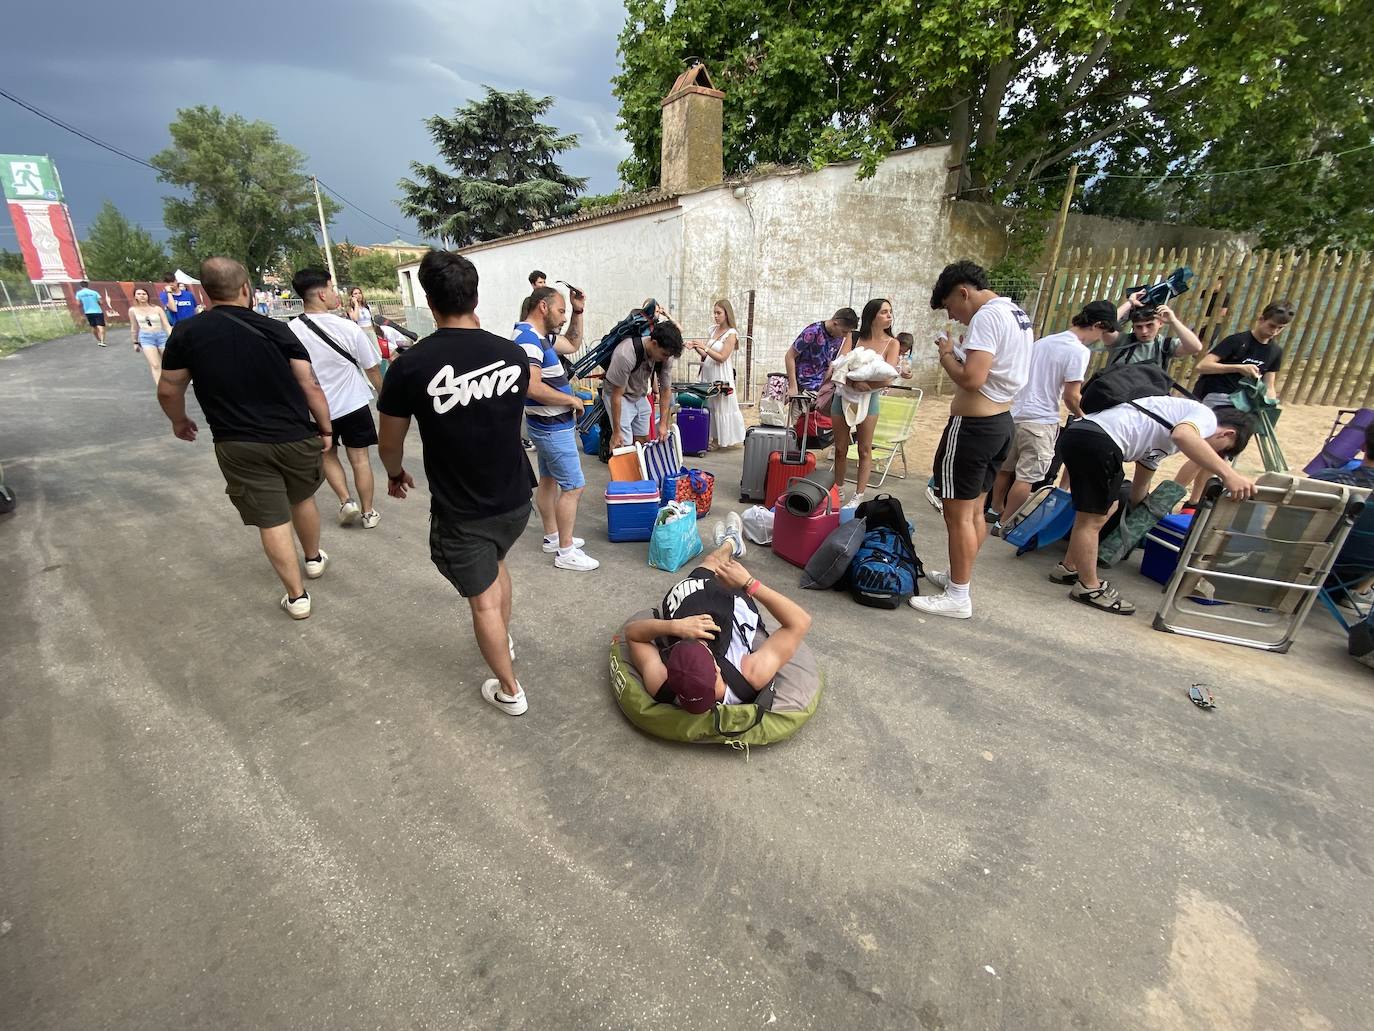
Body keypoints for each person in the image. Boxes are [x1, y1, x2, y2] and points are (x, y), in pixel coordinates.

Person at [378, 250, 536, 716]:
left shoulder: (411, 365)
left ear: (429, 301)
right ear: (476, 295)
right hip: (514, 498)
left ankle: (510, 690)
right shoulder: (510, 354)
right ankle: (502, 642)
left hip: (464, 509)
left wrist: (393, 473)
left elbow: (390, 442)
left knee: (482, 599)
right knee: (497, 562)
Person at [156, 257, 333, 620]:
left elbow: (169, 389)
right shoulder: (278, 330)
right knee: (302, 499)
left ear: (205, 292)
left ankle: (297, 597)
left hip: (237, 443)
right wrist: (326, 428)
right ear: (245, 289)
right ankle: (313, 559)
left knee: (271, 519)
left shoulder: (187, 334)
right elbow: (309, 384)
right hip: (294, 435)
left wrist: (179, 421)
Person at [1051, 396, 1256, 615]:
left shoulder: (1171, 425)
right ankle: (1089, 587)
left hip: (1083, 433)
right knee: (1091, 520)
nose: (1216, 456)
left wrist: (1143, 510)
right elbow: (1183, 435)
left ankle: (1069, 567)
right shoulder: (1206, 417)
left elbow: (1143, 477)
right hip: (1100, 441)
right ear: (1227, 434)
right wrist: (1229, 475)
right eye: (1223, 451)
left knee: (1104, 510)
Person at [913, 261, 1034, 620]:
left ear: (963, 292)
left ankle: (958, 595)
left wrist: (947, 354)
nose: (956, 316)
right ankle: (957, 578)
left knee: (958, 515)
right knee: (975, 510)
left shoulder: (986, 316)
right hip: (1000, 423)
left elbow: (972, 379)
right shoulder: (1016, 313)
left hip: (973, 428)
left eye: (952, 307)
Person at [621, 542, 813, 714]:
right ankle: (731, 542)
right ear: (717, 669)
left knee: (712, 559)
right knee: (721, 566)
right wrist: (750, 584)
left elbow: (632, 634)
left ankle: (731, 542)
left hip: (689, 594)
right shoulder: (748, 675)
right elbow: (800, 622)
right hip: (728, 598)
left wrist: (674, 627)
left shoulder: (660, 683)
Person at [990, 300, 1118, 525]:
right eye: (1103, 331)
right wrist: (1085, 417)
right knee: (1026, 477)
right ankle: (1006, 522)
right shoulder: (1078, 351)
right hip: (1040, 420)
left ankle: (995, 509)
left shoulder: (1044, 342)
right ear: (1097, 325)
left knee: (1005, 469)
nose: (1101, 337)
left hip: (1015, 414)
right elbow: (1071, 395)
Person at [289, 268, 385, 529]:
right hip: (353, 404)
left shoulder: (291, 331)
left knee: (328, 456)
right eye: (332, 289)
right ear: (321, 294)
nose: (335, 294)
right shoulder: (347, 328)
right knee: (360, 459)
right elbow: (372, 368)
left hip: (316, 410)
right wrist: (383, 396)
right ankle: (368, 513)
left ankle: (346, 501)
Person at [515, 285, 598, 572]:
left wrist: (578, 310)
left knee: (549, 481)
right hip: (551, 426)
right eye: (561, 311)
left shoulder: (540, 336)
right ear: (542, 307)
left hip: (547, 425)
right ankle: (566, 552)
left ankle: (553, 537)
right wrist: (571, 399)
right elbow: (532, 386)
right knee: (574, 486)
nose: (563, 318)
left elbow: (573, 344)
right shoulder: (528, 340)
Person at [828, 298, 900, 508]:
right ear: (872, 315)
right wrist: (851, 381)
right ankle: (838, 490)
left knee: (864, 449)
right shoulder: (855, 336)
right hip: (843, 395)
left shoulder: (892, 343)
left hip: (870, 398)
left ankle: (858, 496)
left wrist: (865, 384)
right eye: (884, 312)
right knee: (840, 448)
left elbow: (889, 376)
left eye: (890, 312)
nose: (889, 316)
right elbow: (839, 365)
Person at [1309, 421, 1374, 610]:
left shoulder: (1328, 480)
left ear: (1362, 446)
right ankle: (1360, 591)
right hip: (1367, 564)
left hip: (1319, 557)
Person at [1193, 300, 1294, 406]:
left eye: (1280, 328)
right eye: (1272, 326)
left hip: (1244, 401)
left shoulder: (1275, 351)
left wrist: (1270, 404)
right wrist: (1238, 368)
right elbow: (1202, 366)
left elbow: (1269, 385)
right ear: (1261, 320)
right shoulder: (1237, 341)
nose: (1275, 331)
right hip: (1215, 395)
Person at [605, 319, 683, 449]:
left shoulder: (666, 356)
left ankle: (640, 468)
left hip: (639, 395)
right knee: (624, 443)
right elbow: (616, 395)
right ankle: (624, 466)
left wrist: (663, 424)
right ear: (654, 343)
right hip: (619, 396)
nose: (666, 358)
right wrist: (616, 432)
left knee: (643, 440)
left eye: (669, 356)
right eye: (664, 354)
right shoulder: (626, 354)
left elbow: (665, 390)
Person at [687, 299, 746, 448]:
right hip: (709, 371)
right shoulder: (712, 330)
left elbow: (722, 357)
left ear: (727, 314)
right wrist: (695, 346)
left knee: (721, 405)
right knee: (710, 404)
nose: (715, 316)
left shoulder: (732, 334)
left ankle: (719, 440)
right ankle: (710, 436)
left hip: (721, 373)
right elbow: (707, 355)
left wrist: (704, 347)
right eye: (714, 313)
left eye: (719, 313)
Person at [1107, 290, 1203, 369]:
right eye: (1139, 327)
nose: (1144, 331)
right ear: (1133, 327)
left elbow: (1195, 347)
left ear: (1160, 323)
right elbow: (1105, 325)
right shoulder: (1120, 341)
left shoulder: (1165, 345)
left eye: (1150, 325)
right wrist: (1130, 303)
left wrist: (1173, 321)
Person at [785, 308, 859, 395]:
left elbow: (831, 360)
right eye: (844, 332)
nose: (845, 335)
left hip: (821, 389)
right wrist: (793, 386)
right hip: (802, 386)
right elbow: (789, 356)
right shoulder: (813, 331)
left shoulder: (838, 336)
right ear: (835, 323)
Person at [128, 286, 174, 383]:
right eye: (139, 294)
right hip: (146, 337)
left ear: (148, 296)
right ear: (135, 296)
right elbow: (134, 327)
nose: (142, 296)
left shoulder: (157, 309)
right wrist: (135, 342)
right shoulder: (133, 310)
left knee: (168, 362)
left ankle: (170, 382)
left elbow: (166, 325)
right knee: (155, 364)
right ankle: (160, 386)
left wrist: (171, 337)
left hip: (161, 336)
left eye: (144, 294)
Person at [74, 281, 105, 346]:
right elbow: (101, 302)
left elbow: (78, 303)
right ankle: (102, 341)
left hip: (88, 312)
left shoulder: (79, 293)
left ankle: (98, 340)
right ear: (87, 285)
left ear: (81, 286)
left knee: (94, 327)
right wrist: (96, 302)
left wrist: (84, 302)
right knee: (100, 326)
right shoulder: (94, 292)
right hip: (97, 311)